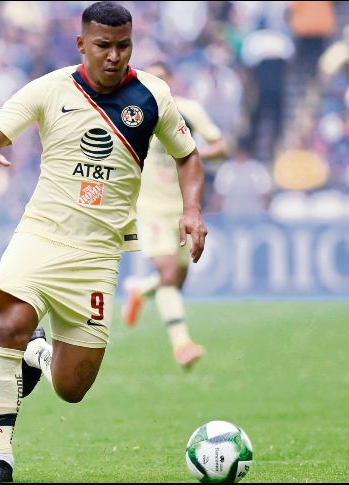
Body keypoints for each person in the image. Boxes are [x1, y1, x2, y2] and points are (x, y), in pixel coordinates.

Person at [0, 2, 207, 482]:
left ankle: (39, 353)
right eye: (103, 46)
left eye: (123, 46)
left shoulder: (153, 96)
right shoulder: (50, 89)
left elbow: (188, 154)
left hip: (98, 254)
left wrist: (193, 211)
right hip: (40, 234)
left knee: (70, 387)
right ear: (82, 45)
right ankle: (0, 461)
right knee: (8, 324)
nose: (114, 56)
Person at [122, 61, 228, 369]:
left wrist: (190, 153)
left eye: (163, 79)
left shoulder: (189, 111)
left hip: (185, 208)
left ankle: (140, 289)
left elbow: (221, 146)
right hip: (150, 208)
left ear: (172, 82)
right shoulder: (134, 116)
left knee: (176, 280)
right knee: (168, 271)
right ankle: (182, 345)